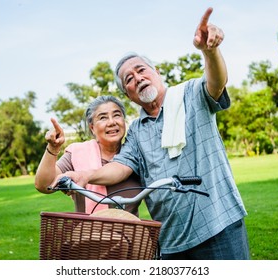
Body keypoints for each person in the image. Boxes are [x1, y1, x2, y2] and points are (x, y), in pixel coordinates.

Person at [58, 7, 250, 259]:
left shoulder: (190, 94)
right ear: (128, 94)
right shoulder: (136, 131)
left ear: (156, 72)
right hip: (171, 242)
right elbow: (122, 167)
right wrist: (86, 175)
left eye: (141, 70)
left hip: (219, 227)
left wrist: (210, 52)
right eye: (129, 78)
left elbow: (216, 82)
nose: (137, 78)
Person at [35, 95, 141, 216]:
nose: (111, 122)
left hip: (130, 233)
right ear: (92, 128)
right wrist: (53, 148)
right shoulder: (78, 153)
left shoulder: (135, 154)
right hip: (88, 233)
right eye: (103, 118)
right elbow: (44, 185)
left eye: (117, 115)